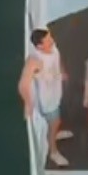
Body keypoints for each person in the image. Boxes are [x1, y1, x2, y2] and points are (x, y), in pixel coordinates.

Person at [19, 26, 72, 167]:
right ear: (39, 46)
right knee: (55, 122)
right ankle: (53, 150)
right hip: (46, 101)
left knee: (56, 121)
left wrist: (62, 71)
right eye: (48, 40)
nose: (52, 41)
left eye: (50, 37)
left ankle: (54, 133)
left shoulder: (52, 48)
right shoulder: (34, 61)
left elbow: (57, 59)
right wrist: (28, 104)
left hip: (55, 91)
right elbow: (23, 85)